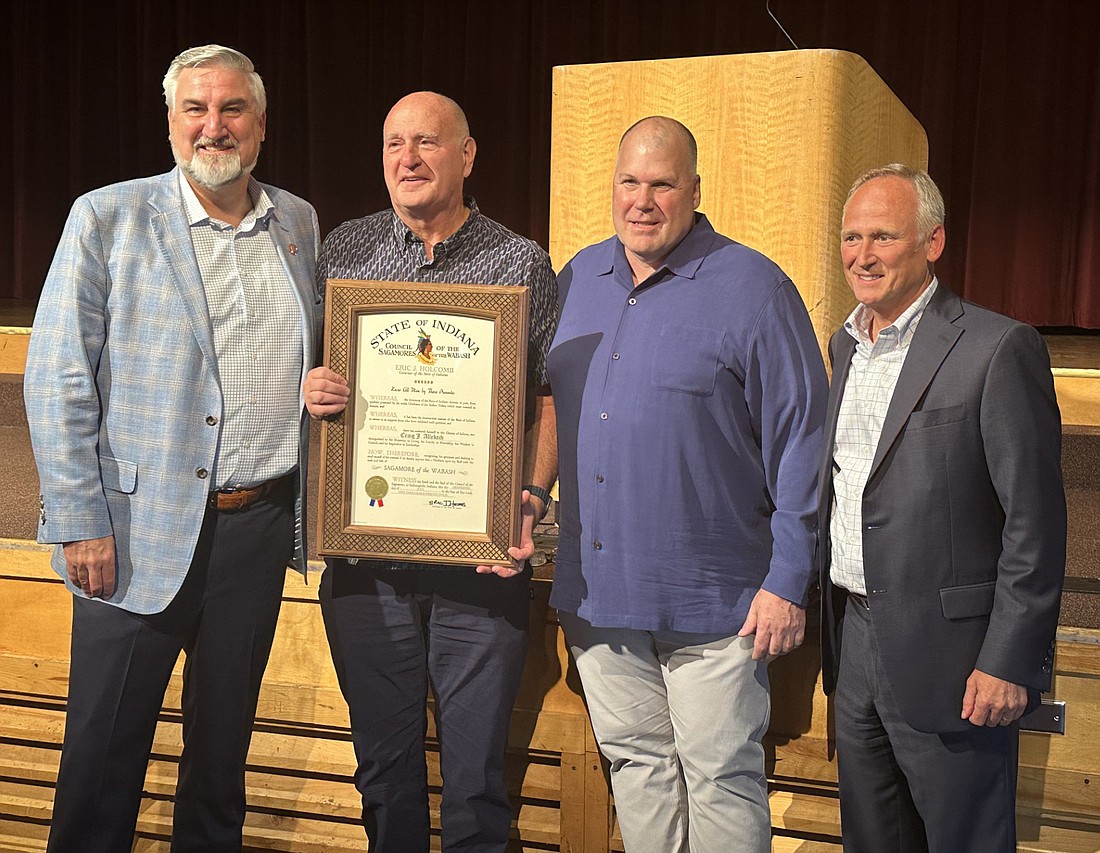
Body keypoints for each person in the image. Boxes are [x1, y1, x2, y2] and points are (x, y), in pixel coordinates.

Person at [23, 45, 321, 853]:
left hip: (254, 533)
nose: (213, 125)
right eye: (197, 109)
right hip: (130, 533)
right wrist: (80, 519)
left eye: (232, 110)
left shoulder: (297, 222)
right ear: (170, 122)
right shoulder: (107, 216)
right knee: (101, 760)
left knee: (220, 762)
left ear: (260, 127)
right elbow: (57, 379)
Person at [546, 116, 828, 853]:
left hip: (719, 599)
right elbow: (535, 407)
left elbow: (803, 442)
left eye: (662, 183)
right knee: (636, 769)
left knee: (720, 775)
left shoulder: (756, 288)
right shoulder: (575, 278)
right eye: (629, 182)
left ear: (695, 190)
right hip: (600, 593)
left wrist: (790, 580)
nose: (643, 200)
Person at [301, 91, 558, 853]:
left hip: (476, 561)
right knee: (383, 775)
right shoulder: (343, 252)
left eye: (426, 143)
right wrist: (311, 388)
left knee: (477, 784)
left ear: (468, 156)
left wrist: (530, 500)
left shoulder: (521, 261)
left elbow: (546, 399)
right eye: (393, 144)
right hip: (366, 558)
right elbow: (313, 375)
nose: (407, 159)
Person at [818, 164, 1066, 852]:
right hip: (857, 639)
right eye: (851, 237)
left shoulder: (996, 347)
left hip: (957, 659)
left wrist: (1010, 659)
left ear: (933, 242)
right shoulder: (845, 345)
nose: (862, 255)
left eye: (883, 237)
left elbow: (1034, 523)